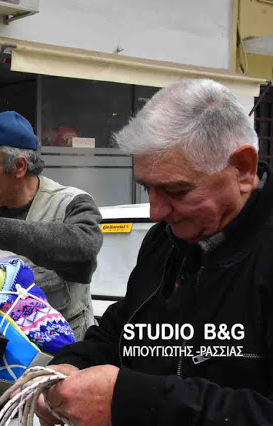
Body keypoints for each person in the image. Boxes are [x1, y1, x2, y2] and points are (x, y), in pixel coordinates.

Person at [35, 78, 273, 426]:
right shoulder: (166, 240)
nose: (155, 212)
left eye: (176, 190)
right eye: (147, 188)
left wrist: (133, 402)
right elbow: (123, 330)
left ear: (243, 169)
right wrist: (70, 366)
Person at [0, 111, 103, 341]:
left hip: (63, 356)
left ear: (19, 167)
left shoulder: (71, 203)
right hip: (3, 351)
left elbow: (85, 245)